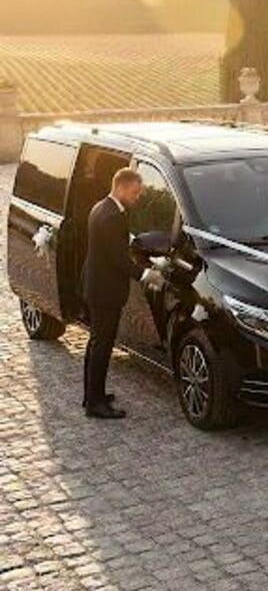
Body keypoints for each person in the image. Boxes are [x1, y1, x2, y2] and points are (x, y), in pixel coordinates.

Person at [82, 168, 163, 418]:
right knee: (102, 345)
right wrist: (148, 275)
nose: (137, 197)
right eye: (135, 192)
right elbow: (119, 260)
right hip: (105, 291)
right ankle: (96, 404)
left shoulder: (102, 208)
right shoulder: (112, 216)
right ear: (121, 187)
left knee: (96, 342)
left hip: (96, 286)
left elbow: (112, 245)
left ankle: (92, 395)